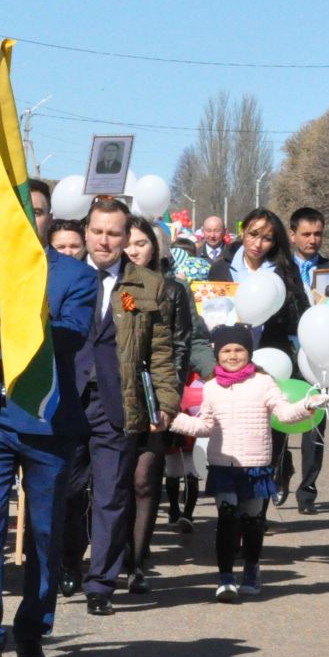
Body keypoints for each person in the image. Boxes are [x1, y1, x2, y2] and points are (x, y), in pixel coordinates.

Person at [0, 241, 112, 657]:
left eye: (38, 209)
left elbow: (70, 335)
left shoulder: (77, 276)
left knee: (42, 531)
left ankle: (32, 631)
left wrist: (7, 328)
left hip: (48, 422)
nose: (27, 214)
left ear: (47, 219)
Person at [60, 197, 178, 615]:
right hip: (65, 400)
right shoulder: (61, 276)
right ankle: (69, 562)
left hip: (119, 402)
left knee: (111, 494)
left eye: (113, 233)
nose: (104, 241)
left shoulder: (146, 285)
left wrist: (165, 400)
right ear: (85, 232)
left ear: (127, 238)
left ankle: (101, 583)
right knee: (68, 492)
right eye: (97, 232)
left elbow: (160, 350)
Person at [169, 326, 327, 601]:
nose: (233, 355)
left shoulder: (263, 382)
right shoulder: (210, 387)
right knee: (227, 519)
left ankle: (252, 568)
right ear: (217, 354)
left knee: (253, 522)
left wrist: (307, 405)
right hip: (223, 465)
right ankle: (226, 576)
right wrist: (172, 420)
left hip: (256, 466)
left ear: (249, 353)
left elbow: (284, 413)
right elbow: (205, 426)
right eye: (226, 351)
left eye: (239, 350)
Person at [208, 209, 310, 507]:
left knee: (268, 434)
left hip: (272, 361)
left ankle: (259, 505)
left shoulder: (284, 270)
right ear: (243, 231)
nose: (258, 243)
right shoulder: (221, 268)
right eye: (253, 234)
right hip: (230, 364)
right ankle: (232, 505)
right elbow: (210, 313)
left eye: (267, 238)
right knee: (233, 432)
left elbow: (299, 315)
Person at [124, 215, 196, 589]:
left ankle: (137, 560)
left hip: (156, 392)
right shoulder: (115, 286)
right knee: (115, 480)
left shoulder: (172, 289)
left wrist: (170, 399)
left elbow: (182, 344)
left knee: (144, 479)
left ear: (155, 247)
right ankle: (115, 552)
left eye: (141, 243)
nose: (133, 250)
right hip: (116, 393)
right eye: (128, 242)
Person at [284, 207, 329, 513]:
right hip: (285, 353)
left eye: (318, 234)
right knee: (277, 419)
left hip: (320, 356)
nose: (313, 240)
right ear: (293, 235)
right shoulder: (279, 269)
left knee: (315, 424)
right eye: (306, 234)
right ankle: (278, 476)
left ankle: (307, 491)